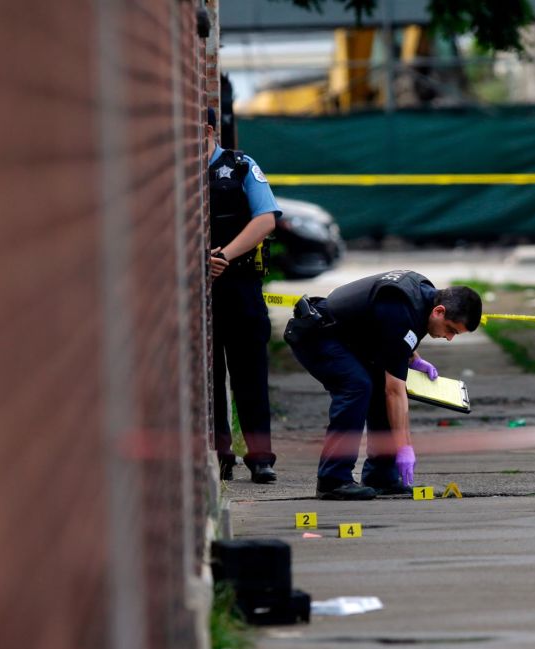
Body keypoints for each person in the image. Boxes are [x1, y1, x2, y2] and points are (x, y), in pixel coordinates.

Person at [284, 271, 482, 500]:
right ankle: (333, 479)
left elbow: (392, 334)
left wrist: (413, 358)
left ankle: (381, 475)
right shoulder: (401, 306)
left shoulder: (423, 295)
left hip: (343, 336)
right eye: (451, 330)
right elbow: (395, 391)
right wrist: (404, 447)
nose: (449, 338)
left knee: (377, 384)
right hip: (317, 334)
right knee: (357, 386)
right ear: (440, 311)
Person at [206, 106, 280, 484]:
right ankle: (221, 454)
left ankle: (260, 457)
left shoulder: (239, 167)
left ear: (207, 130)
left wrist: (223, 255)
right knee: (210, 377)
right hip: (201, 290)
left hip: (240, 286)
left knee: (250, 373)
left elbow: (266, 218)